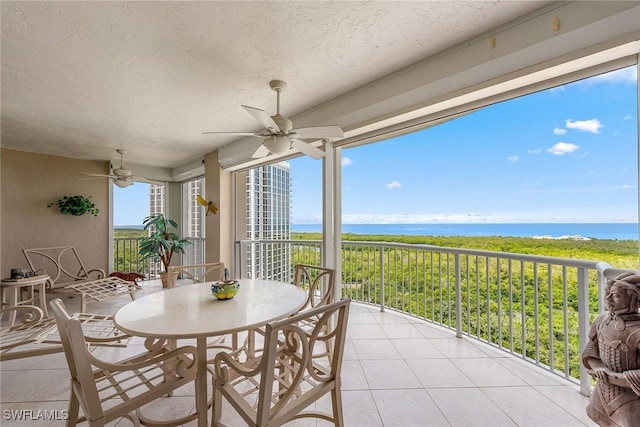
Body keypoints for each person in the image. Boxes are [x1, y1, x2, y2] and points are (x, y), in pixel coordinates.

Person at [582, 271, 640, 426]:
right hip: (602, 390)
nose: (608, 299)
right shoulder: (603, 321)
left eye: (615, 295)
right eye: (608, 294)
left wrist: (616, 377)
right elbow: (592, 349)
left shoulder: (637, 331)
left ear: (634, 298)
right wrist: (598, 367)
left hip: (630, 398)